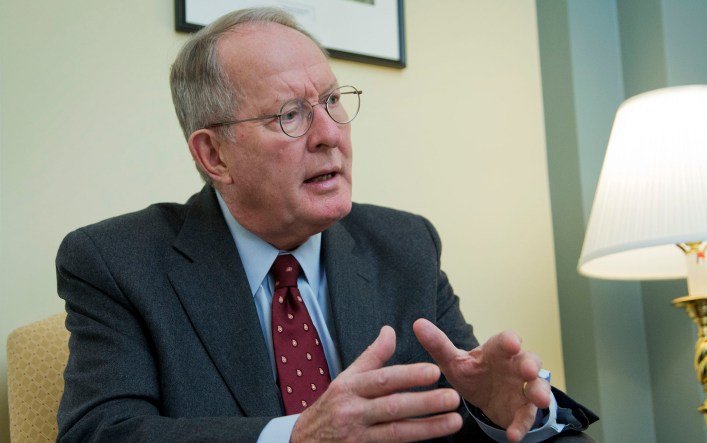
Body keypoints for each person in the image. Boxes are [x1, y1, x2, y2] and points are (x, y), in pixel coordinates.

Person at [55, 7, 597, 443]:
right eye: (290, 114)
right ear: (214, 154)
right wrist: (296, 437)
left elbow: (464, 400)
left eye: (333, 101)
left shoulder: (405, 245)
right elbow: (101, 433)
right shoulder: (116, 263)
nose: (329, 134)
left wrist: (504, 414)